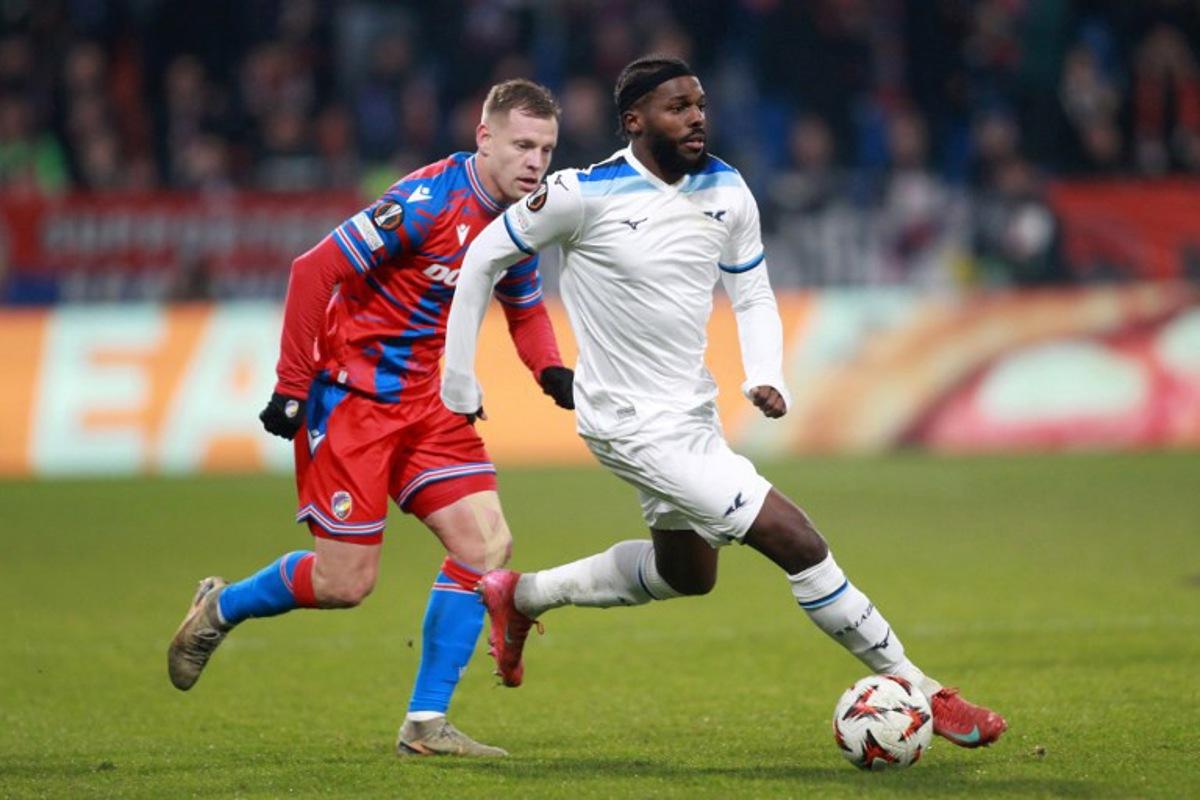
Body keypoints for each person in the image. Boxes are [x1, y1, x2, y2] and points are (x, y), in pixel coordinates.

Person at [441, 56, 1007, 749]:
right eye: (677, 107)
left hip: (692, 417)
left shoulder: (728, 190)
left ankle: (519, 596)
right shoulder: (581, 195)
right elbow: (480, 259)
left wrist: (765, 372)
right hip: (627, 423)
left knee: (686, 574)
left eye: (700, 103)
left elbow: (752, 292)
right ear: (635, 121)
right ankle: (926, 692)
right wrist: (460, 376)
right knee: (796, 540)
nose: (696, 116)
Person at [167, 79, 575, 758]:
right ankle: (220, 608)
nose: (537, 161)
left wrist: (551, 371)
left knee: (485, 547)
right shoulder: (425, 202)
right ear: (485, 138)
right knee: (343, 585)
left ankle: (425, 725)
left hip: (433, 406)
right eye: (523, 145)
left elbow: (525, 307)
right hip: (354, 401)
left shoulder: (523, 219)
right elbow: (311, 271)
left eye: (548, 148)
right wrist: (292, 386)